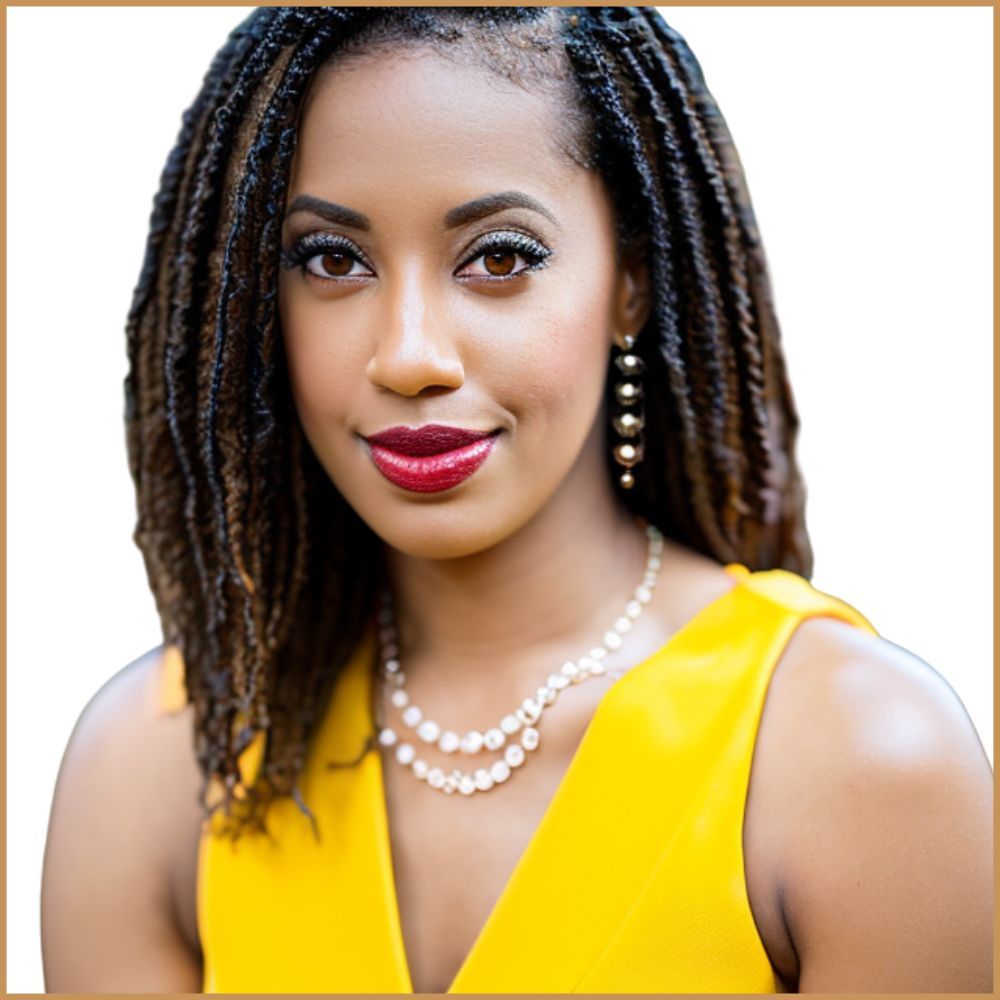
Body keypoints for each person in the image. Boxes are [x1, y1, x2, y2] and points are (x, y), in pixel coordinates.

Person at [40, 6, 991, 994]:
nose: (409, 355)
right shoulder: (157, 767)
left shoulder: (859, 764)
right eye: (332, 259)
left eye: (499, 256)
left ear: (630, 281)